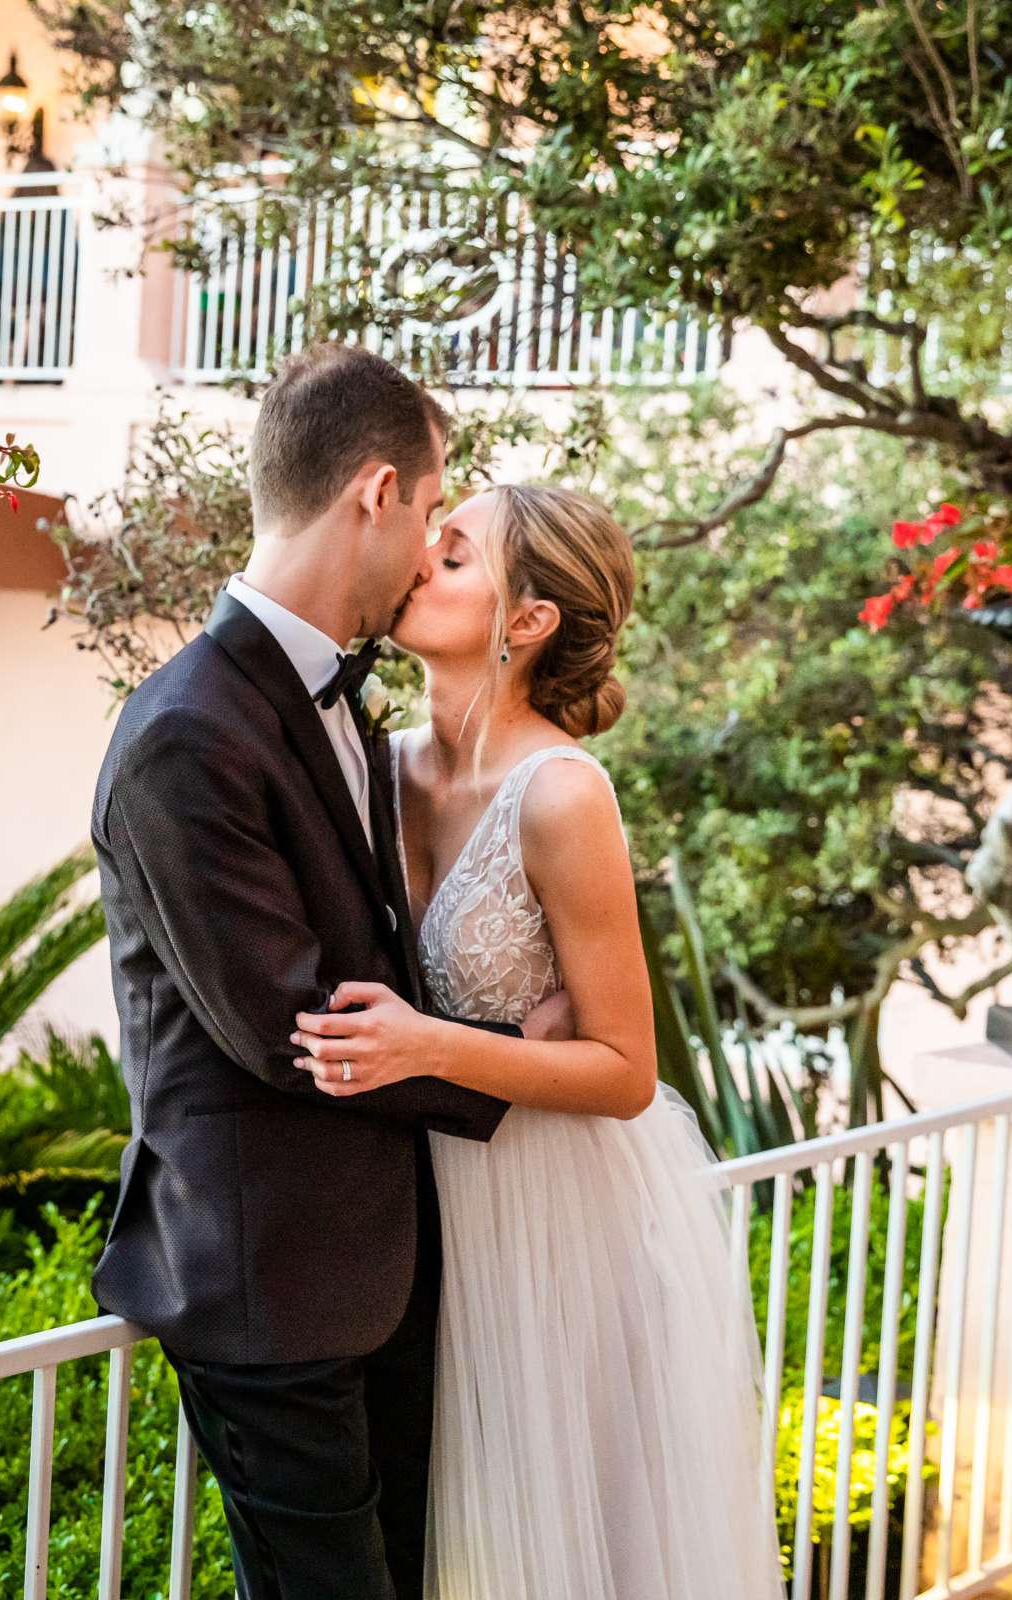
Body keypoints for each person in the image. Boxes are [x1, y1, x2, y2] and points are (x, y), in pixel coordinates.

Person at [89, 344, 565, 1600]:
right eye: (430, 510)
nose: (428, 551)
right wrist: (518, 1066)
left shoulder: (344, 701)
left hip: (384, 1264)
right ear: (375, 492)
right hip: (268, 1287)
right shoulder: (186, 730)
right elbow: (295, 1023)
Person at [290, 482, 784, 1599]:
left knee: (556, 1547)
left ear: (528, 621)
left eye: (455, 555)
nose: (421, 557)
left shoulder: (561, 796)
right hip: (415, 1212)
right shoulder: (369, 764)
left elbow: (623, 1069)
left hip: (558, 1221)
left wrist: (435, 1044)